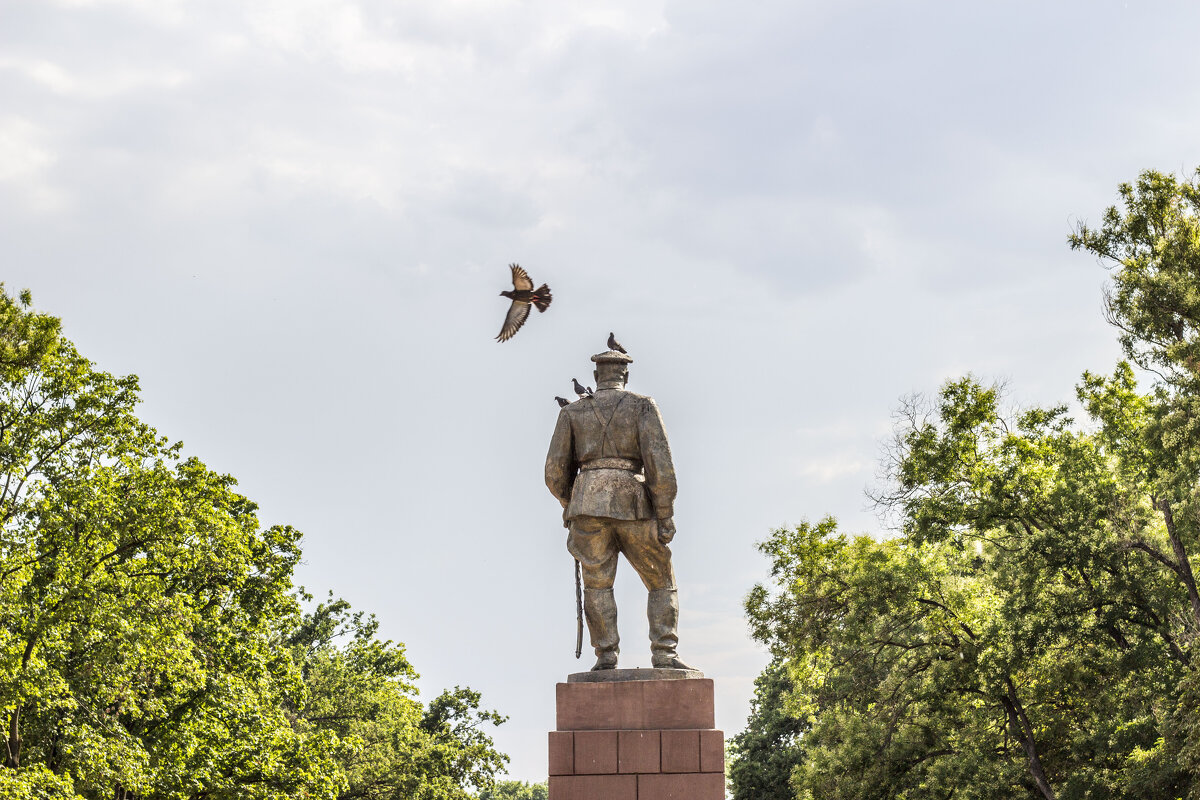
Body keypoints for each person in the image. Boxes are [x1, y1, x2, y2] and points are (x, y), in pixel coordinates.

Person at [545, 348, 696, 671]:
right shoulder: (642, 407)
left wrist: (571, 504)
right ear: (624, 375)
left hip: (587, 506)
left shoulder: (572, 413)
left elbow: (554, 472)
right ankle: (664, 652)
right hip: (635, 506)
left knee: (597, 585)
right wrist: (665, 515)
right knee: (660, 581)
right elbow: (661, 467)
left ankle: (606, 655)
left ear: (597, 376)